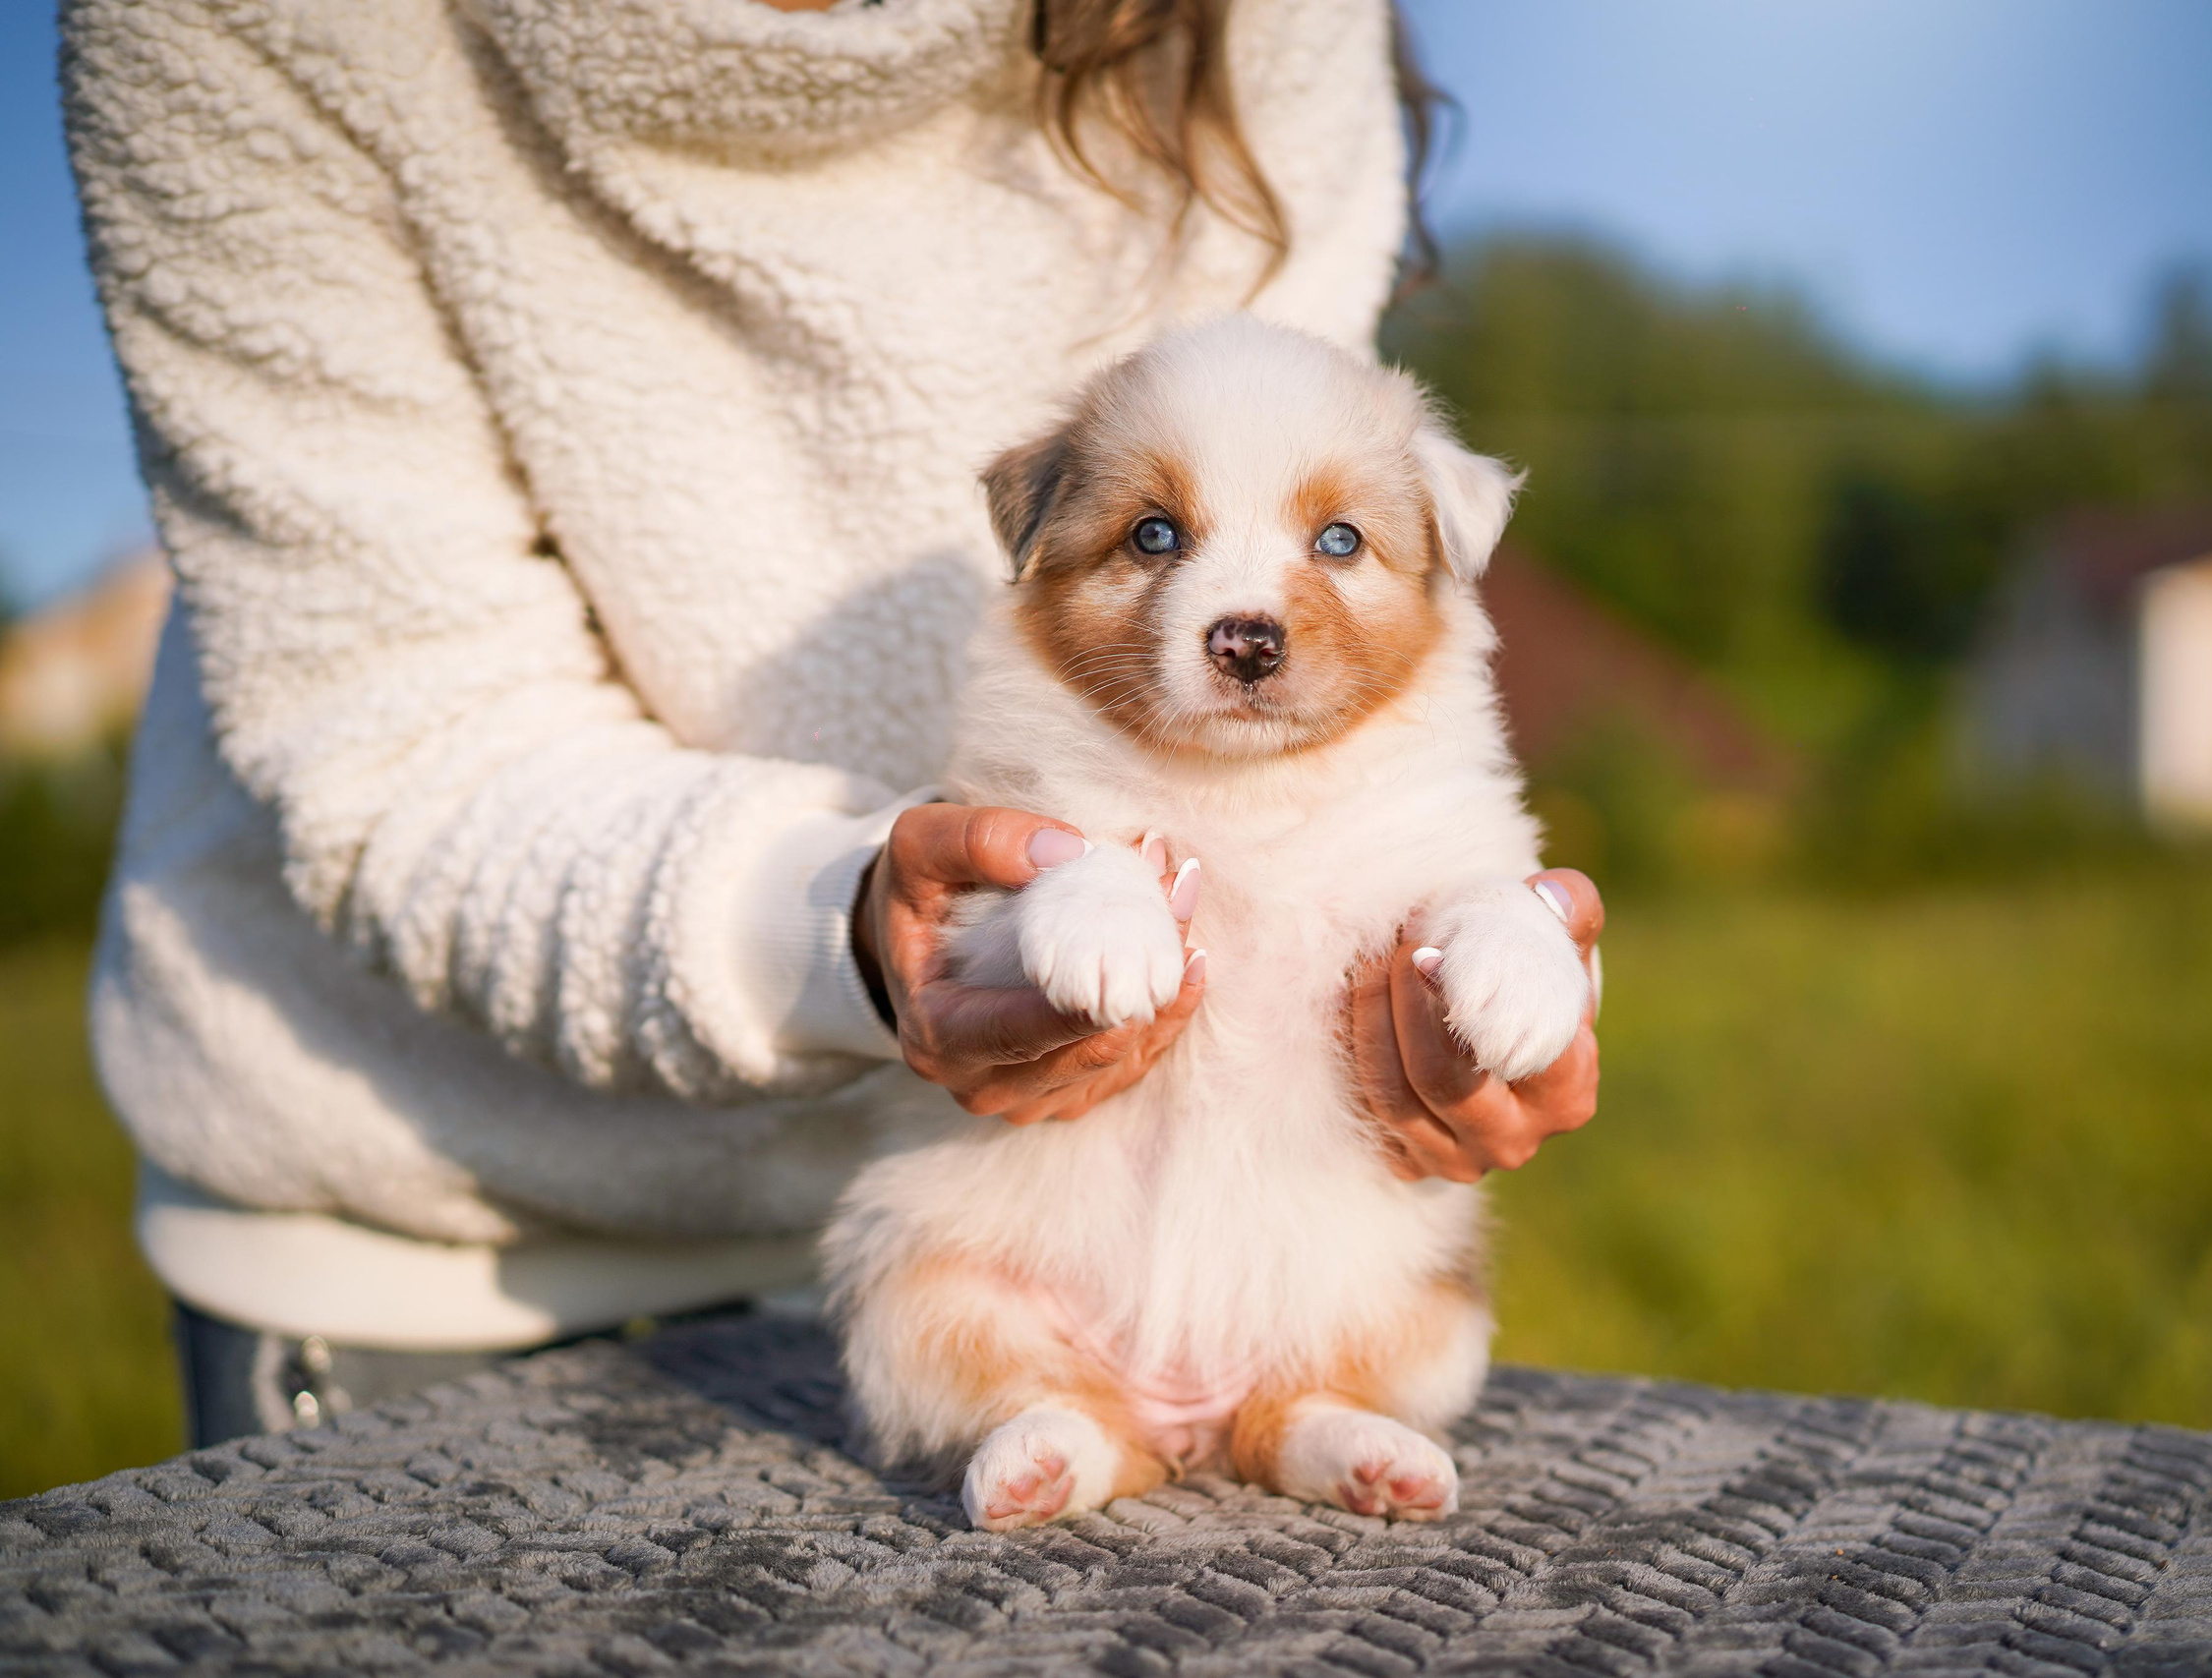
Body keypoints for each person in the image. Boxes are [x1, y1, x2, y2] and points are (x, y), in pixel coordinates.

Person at [62, 0, 1603, 1447]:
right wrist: (850, 931)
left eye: (1328, 552)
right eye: (1156, 540)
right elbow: (401, 736)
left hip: (1145, 1246)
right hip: (432, 1214)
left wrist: (1485, 988)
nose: (1247, 613)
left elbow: (1306, 419)